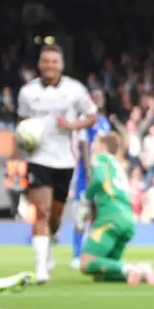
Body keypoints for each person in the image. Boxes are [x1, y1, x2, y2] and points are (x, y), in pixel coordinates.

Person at [17, 44, 98, 284]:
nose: (49, 65)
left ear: (61, 65)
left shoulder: (75, 90)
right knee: (41, 211)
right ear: (39, 64)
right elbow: (21, 122)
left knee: (55, 216)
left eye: (54, 61)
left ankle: (49, 243)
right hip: (38, 158)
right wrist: (23, 145)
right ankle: (41, 269)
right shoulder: (27, 92)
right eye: (45, 61)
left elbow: (92, 116)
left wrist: (71, 126)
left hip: (65, 160)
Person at [76, 132, 154, 286]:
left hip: (110, 218)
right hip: (128, 219)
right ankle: (142, 270)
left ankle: (129, 268)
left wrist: (86, 197)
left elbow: (99, 179)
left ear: (103, 147)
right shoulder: (118, 165)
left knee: (86, 263)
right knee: (100, 274)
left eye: (96, 143)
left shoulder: (101, 158)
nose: (93, 147)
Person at [70, 94, 112, 270]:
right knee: (82, 214)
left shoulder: (105, 123)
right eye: (95, 98)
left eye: (100, 98)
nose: (98, 101)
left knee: (98, 215)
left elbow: (108, 147)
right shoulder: (84, 122)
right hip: (85, 175)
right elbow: (84, 146)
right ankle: (77, 254)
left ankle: (93, 252)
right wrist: (88, 171)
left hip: (102, 173)